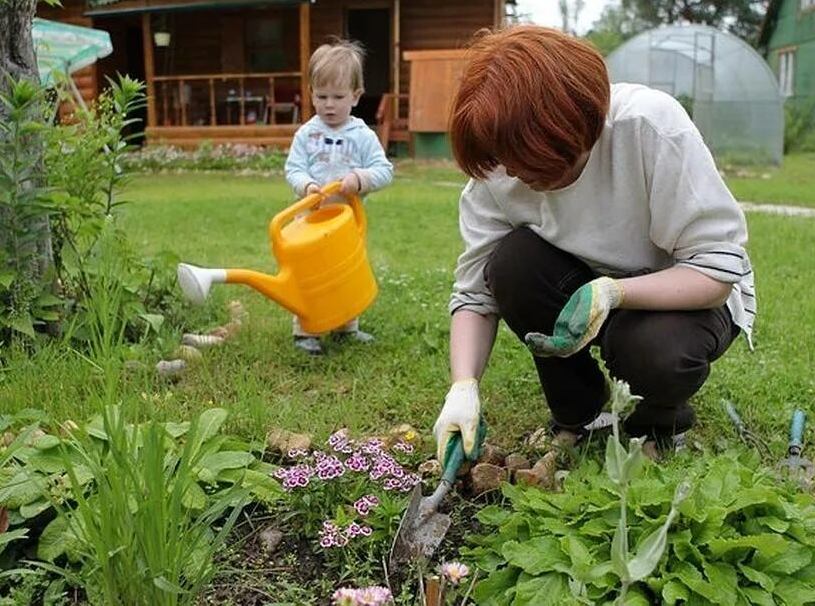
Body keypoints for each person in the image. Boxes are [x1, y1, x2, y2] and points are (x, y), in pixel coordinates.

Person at [432, 25, 756, 464]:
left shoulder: (647, 127)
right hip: (582, 281)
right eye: (506, 161)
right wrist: (463, 385)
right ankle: (577, 413)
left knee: (652, 347)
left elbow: (716, 270)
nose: (515, 175)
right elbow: (476, 293)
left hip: (684, 296)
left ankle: (658, 425)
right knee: (510, 265)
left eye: (531, 163)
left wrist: (615, 292)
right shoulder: (499, 165)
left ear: (578, 129)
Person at [284, 39, 394, 355]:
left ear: (356, 96)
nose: (329, 105)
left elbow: (384, 170)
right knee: (311, 275)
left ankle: (347, 326)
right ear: (311, 94)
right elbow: (293, 168)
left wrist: (360, 179)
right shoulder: (306, 134)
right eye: (321, 96)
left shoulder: (362, 136)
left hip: (346, 219)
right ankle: (306, 330)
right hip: (309, 219)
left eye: (338, 97)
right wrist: (306, 186)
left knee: (344, 271)